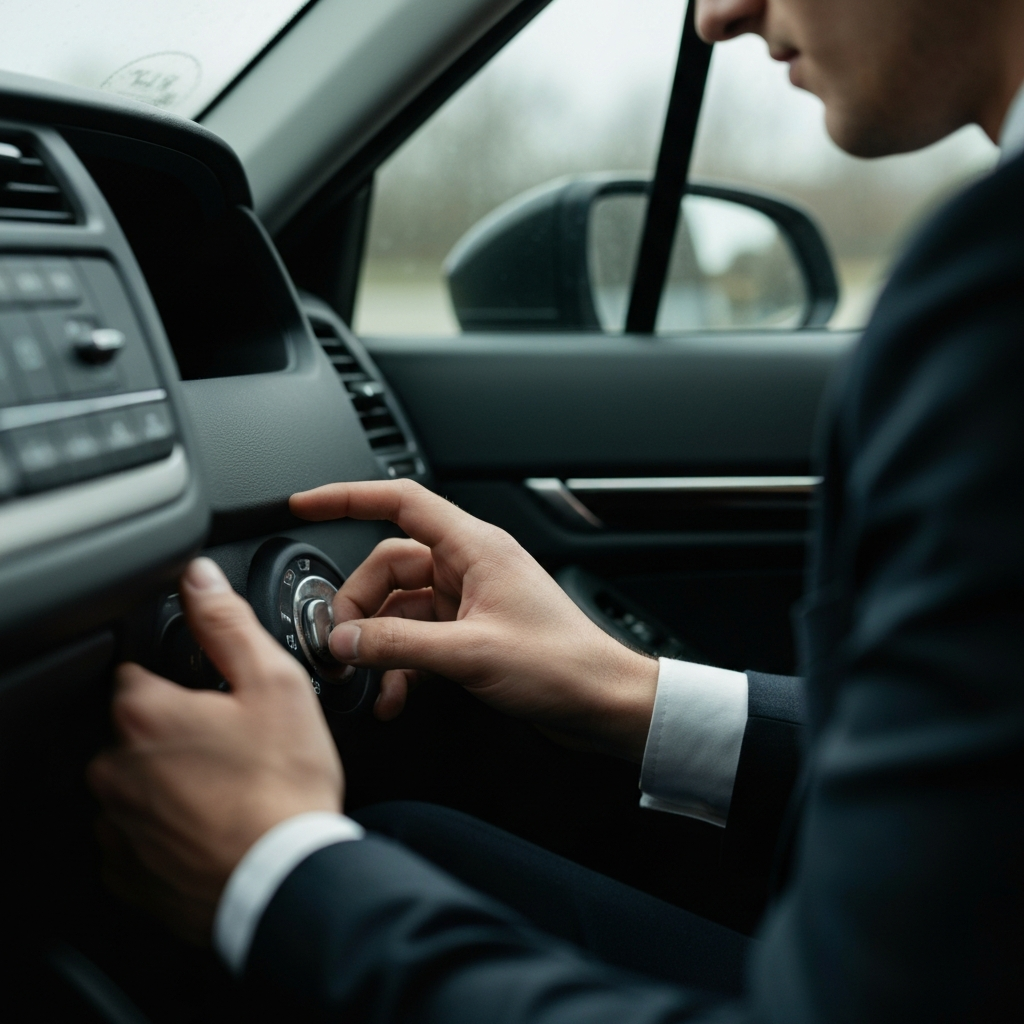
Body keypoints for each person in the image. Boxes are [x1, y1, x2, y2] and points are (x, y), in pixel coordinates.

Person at [87, 0, 1024, 1020]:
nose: (717, 15)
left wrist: (270, 881)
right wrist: (624, 691)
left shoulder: (990, 288)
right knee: (405, 843)